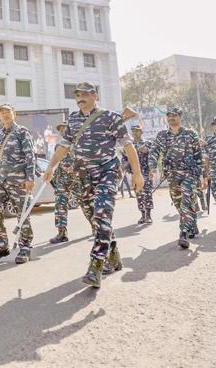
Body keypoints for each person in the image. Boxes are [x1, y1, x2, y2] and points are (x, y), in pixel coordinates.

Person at [44, 82, 143, 288]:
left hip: (107, 172)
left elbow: (127, 145)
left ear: (94, 95)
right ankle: (114, 256)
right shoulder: (73, 119)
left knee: (101, 215)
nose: (80, 98)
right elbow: (64, 146)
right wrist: (51, 167)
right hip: (84, 176)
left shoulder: (110, 117)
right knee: (96, 220)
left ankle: (96, 266)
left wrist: (137, 173)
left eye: (84, 95)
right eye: (77, 95)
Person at [0, 104, 36, 264]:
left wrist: (30, 177)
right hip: (2, 181)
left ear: (14, 114)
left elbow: (30, 155)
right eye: (2, 112)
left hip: (19, 182)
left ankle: (25, 249)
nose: (4, 114)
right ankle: (1, 247)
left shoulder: (21, 132)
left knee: (22, 217)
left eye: (7, 112)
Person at [149, 107, 205, 249]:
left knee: (186, 199)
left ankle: (183, 233)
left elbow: (198, 155)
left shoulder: (190, 134)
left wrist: (202, 175)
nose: (171, 118)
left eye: (174, 115)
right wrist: (152, 166)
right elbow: (154, 150)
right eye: (169, 116)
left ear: (180, 117)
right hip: (172, 175)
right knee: (179, 203)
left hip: (189, 174)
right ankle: (192, 223)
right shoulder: (162, 135)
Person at [48, 121, 89, 244]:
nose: (62, 131)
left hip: (77, 179)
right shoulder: (58, 146)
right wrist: (54, 178)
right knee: (60, 205)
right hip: (62, 180)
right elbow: (57, 162)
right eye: (60, 129)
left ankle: (96, 226)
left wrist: (77, 169)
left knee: (86, 204)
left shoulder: (79, 144)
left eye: (64, 128)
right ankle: (62, 233)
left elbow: (86, 159)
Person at [122, 125, 154, 223]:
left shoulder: (148, 143)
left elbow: (153, 157)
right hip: (135, 174)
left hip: (146, 172)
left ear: (141, 132)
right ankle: (142, 215)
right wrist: (125, 166)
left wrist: (152, 170)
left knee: (147, 193)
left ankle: (148, 216)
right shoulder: (129, 145)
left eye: (137, 131)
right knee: (139, 195)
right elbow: (124, 159)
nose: (135, 133)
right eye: (133, 131)